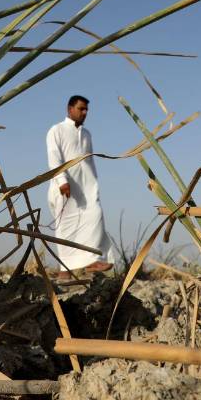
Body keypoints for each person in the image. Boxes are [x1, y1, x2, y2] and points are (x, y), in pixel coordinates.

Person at [45, 95, 112, 278]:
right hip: (65, 188)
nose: (85, 113)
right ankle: (64, 269)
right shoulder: (56, 130)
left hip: (87, 188)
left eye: (86, 110)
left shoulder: (87, 134)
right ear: (70, 109)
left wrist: (94, 184)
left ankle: (92, 260)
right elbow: (54, 158)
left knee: (95, 216)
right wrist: (62, 181)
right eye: (81, 109)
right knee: (66, 227)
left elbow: (89, 162)